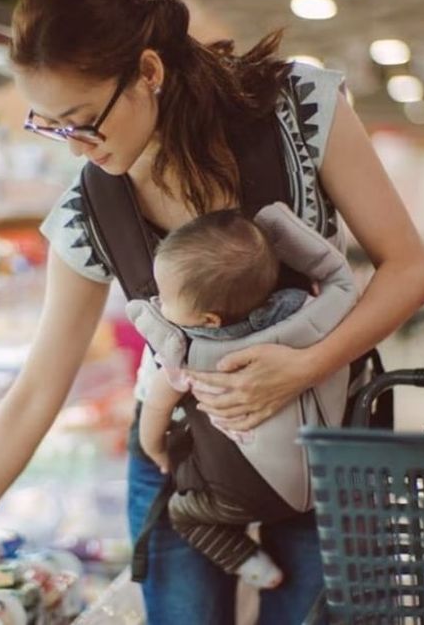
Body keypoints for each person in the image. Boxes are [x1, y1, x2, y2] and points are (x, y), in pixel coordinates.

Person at [0, 0, 424, 622]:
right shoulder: (89, 209)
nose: (78, 146)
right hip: (184, 468)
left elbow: (408, 270)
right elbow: (37, 388)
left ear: (148, 71)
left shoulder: (300, 107)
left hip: (329, 441)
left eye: (83, 121)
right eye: (52, 127)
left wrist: (303, 366)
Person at [137, 209, 313, 591]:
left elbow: (156, 408)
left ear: (209, 319)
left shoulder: (183, 353)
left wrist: (155, 449)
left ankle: (250, 563)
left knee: (183, 515)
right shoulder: (296, 311)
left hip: (234, 497)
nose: (156, 301)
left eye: (165, 298)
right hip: (308, 486)